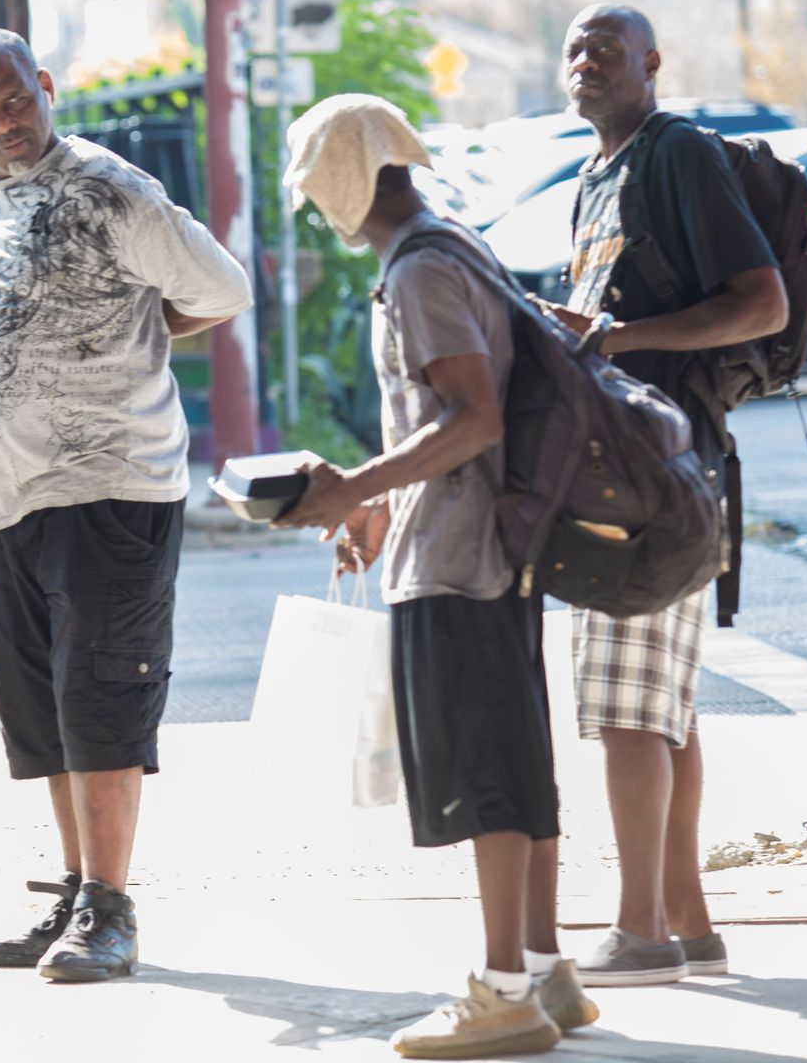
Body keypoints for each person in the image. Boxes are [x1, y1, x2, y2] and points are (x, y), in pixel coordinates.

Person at [0, 28, 252, 982]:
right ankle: (75, 892)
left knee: (100, 695)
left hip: (107, 484)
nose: (4, 125)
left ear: (45, 89)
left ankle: (113, 908)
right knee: (41, 705)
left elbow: (221, 287)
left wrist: (149, 321)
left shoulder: (111, 189)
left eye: (16, 103)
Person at [273, 95, 592, 1059]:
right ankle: (544, 973)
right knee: (521, 769)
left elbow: (473, 417)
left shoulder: (419, 271)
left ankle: (503, 995)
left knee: (489, 778)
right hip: (488, 544)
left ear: (343, 182)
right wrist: (379, 509)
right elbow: (452, 421)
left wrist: (352, 489)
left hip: (460, 560)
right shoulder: (456, 246)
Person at [547, 6, 787, 986]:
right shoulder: (594, 176)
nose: (587, 61)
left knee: (628, 713)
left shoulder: (676, 154)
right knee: (663, 707)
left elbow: (761, 299)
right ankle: (688, 922)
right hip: (640, 465)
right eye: (574, 48)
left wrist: (618, 340)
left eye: (608, 47)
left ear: (652, 63)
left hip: (656, 476)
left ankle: (640, 930)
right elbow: (613, 316)